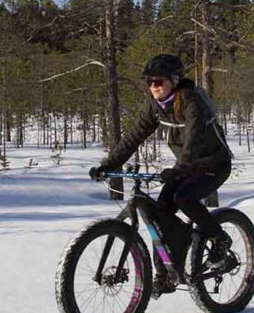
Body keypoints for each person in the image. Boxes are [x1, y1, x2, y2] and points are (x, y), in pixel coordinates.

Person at [89, 54, 234, 296]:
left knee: (183, 198)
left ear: (174, 80)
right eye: (149, 82)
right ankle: (166, 273)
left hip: (214, 164)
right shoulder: (156, 107)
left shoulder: (191, 101)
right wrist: (107, 165)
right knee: (161, 214)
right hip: (186, 167)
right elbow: (133, 138)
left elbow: (194, 141)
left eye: (158, 81)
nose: (153, 86)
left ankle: (219, 239)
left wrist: (178, 169)